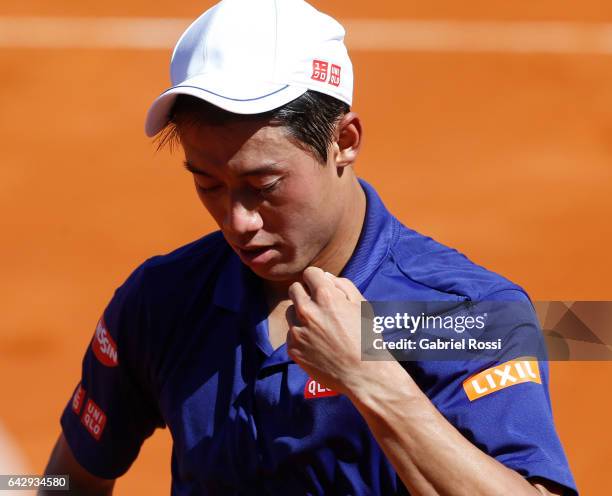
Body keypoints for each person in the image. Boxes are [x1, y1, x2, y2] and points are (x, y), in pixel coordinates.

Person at [41, 0, 578, 494]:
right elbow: (68, 476)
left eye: (264, 186)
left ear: (344, 142)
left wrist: (371, 379)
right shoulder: (161, 301)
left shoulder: (465, 314)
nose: (238, 221)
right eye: (208, 185)